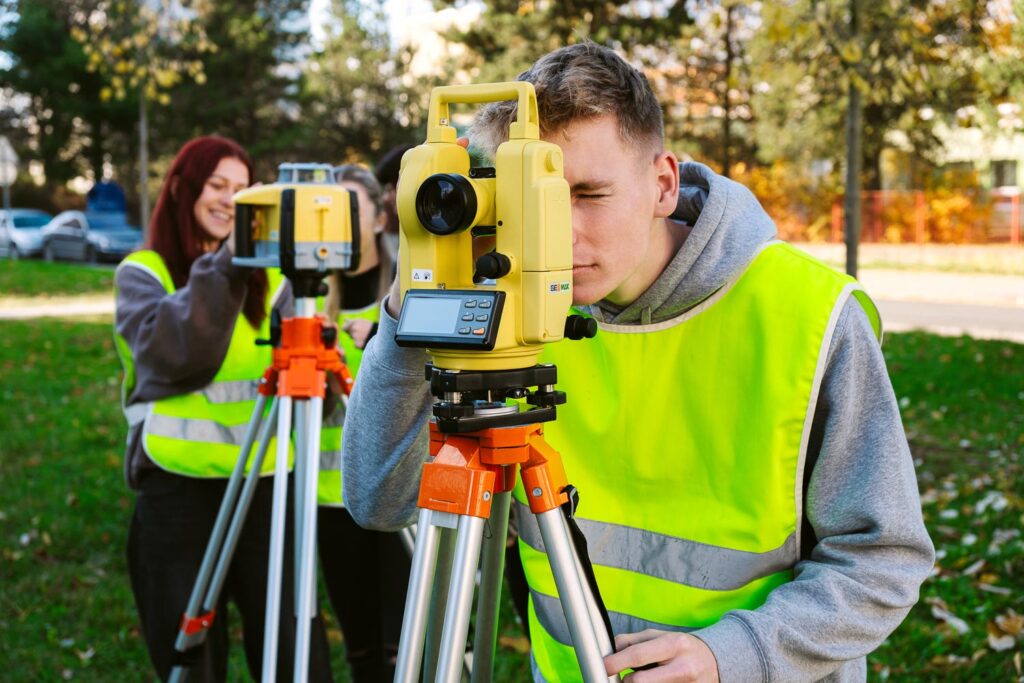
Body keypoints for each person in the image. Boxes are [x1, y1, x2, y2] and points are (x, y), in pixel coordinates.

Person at [340, 43, 935, 682]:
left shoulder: (810, 315)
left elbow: (884, 558)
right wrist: (408, 310)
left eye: (588, 194)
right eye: (533, 199)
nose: (560, 232)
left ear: (662, 184)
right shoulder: (506, 309)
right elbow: (379, 499)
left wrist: (731, 655)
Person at [113, 135, 333, 682]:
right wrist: (230, 261)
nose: (230, 201)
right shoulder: (144, 273)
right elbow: (174, 354)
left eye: (242, 190)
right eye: (217, 186)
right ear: (183, 189)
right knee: (189, 656)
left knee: (290, 645)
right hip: (177, 488)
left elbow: (318, 386)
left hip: (265, 485)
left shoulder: (277, 280)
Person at [315, 163, 410, 682]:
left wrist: (383, 336)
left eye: (350, 210)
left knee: (408, 645)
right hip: (330, 497)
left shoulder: (413, 282)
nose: (337, 225)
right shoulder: (301, 296)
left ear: (379, 216)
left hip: (402, 488)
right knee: (361, 649)